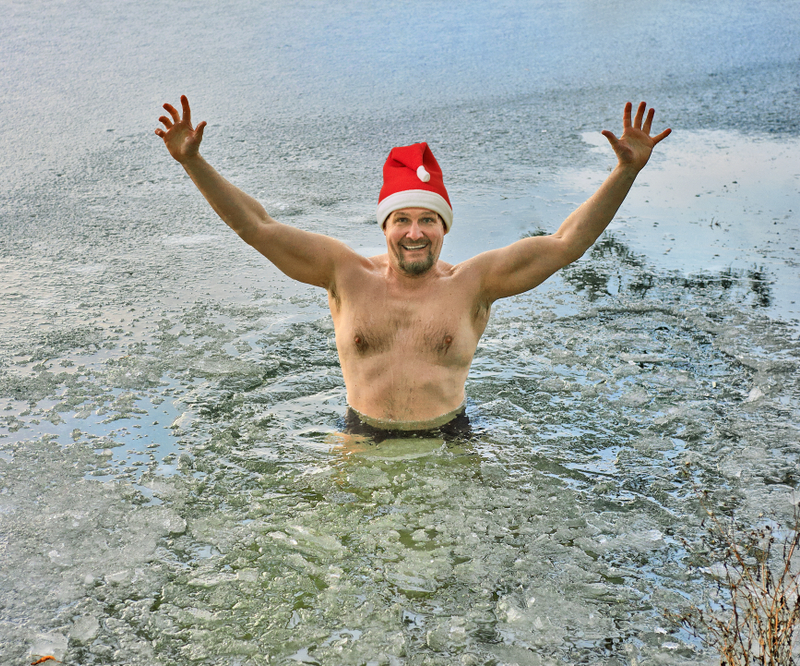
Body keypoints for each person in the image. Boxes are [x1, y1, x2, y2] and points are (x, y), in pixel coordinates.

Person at [155, 96, 671, 437]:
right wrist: (194, 163)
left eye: (428, 219)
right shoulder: (344, 274)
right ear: (385, 226)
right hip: (360, 439)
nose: (415, 232)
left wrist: (625, 172)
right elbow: (258, 228)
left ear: (445, 227)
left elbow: (564, 243)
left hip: (449, 442)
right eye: (402, 219)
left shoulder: (475, 284)